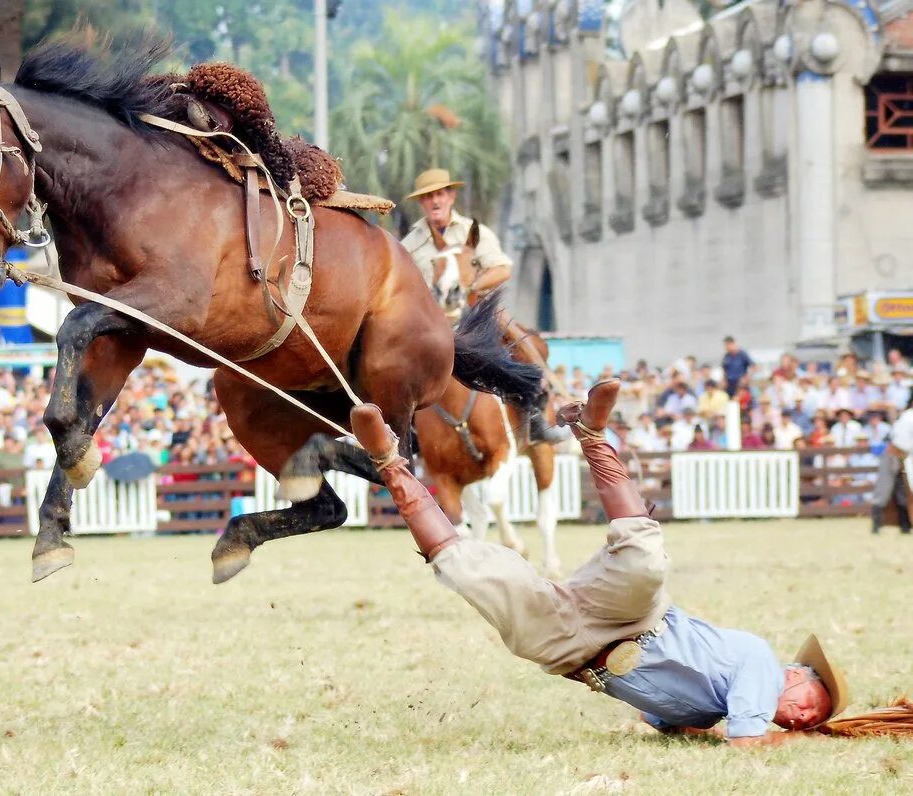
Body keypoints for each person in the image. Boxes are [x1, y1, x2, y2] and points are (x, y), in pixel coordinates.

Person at [351, 383, 848, 747]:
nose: (802, 718)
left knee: (465, 571)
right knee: (645, 560)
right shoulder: (761, 666)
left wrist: (683, 725)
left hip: (574, 653)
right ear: (795, 672)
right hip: (634, 617)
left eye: (805, 721)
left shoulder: (714, 705)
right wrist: (813, 740)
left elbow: (665, 717)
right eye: (811, 704)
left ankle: (390, 464)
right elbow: (747, 744)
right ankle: (591, 433)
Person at [399, 168, 565, 445]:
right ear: (421, 203)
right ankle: (406, 429)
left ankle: (533, 415)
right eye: (428, 197)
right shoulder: (410, 243)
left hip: (475, 311)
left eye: (440, 194)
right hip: (430, 320)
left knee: (527, 346)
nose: (435, 201)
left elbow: (502, 269)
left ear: (451, 196)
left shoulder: (473, 232)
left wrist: (470, 286)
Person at [870, 394, 913, 535]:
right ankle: (876, 526)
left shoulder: (906, 416)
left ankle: (905, 526)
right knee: (885, 489)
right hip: (896, 454)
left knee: (902, 492)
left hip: (906, 456)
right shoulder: (908, 417)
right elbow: (899, 442)